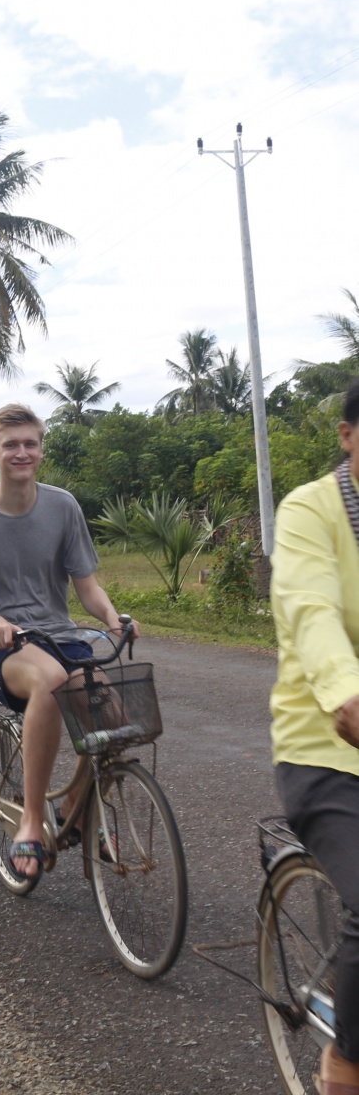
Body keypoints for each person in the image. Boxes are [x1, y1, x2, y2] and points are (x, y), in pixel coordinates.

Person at [0, 403, 136, 883]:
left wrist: (113, 617)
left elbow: (86, 587)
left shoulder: (62, 505)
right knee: (50, 682)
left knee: (116, 716)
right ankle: (30, 818)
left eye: (29, 443)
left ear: (41, 449)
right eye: (11, 444)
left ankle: (77, 808)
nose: (21, 452)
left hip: (57, 634)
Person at [270, 376, 359, 1095]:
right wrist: (346, 692)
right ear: (348, 435)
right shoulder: (310, 512)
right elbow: (311, 612)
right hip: (325, 746)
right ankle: (344, 1067)